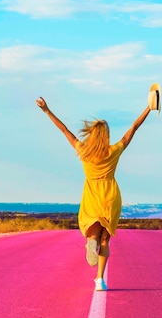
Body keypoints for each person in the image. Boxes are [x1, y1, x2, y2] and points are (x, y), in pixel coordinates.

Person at [36, 95, 152, 291]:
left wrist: (47, 111)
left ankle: (91, 242)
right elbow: (133, 128)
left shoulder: (83, 151)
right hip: (110, 196)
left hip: (91, 196)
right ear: (105, 136)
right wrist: (148, 108)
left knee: (93, 233)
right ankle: (100, 280)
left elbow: (65, 130)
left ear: (91, 135)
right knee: (105, 240)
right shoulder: (113, 151)